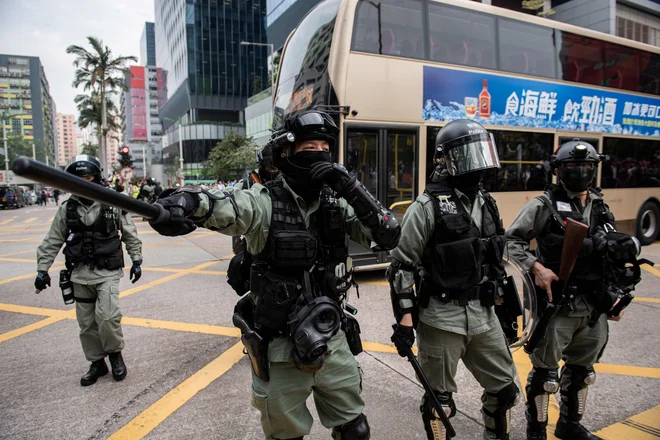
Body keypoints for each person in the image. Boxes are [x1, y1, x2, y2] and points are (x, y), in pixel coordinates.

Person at [149, 110, 401, 440]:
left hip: (333, 335)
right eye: (309, 148)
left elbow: (388, 234)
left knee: (356, 429)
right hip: (280, 346)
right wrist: (186, 201)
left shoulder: (337, 203)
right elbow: (227, 205)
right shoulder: (264, 202)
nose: (318, 155)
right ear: (286, 153)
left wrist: (350, 186)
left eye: (324, 148)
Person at [388, 119, 519, 440]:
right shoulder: (426, 207)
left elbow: (493, 255)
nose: (477, 166)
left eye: (480, 154)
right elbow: (402, 266)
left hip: (484, 316)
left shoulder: (486, 201)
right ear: (445, 160)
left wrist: (504, 305)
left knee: (505, 392)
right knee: (439, 404)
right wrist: (405, 321)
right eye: (467, 156)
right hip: (440, 318)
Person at [506, 140, 638, 440]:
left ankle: (570, 425)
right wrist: (537, 269)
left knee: (583, 372)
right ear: (558, 170)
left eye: (587, 166)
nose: (580, 171)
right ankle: (536, 430)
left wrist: (616, 294)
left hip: (593, 307)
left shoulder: (600, 207)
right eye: (572, 166)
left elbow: (612, 254)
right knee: (546, 377)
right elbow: (511, 242)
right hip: (557, 306)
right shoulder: (544, 205)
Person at [34, 155, 143, 387]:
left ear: (97, 178)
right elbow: (52, 240)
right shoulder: (67, 209)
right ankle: (96, 362)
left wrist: (136, 259)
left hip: (107, 273)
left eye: (88, 178)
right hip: (79, 274)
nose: (84, 182)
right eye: (78, 179)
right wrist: (42, 270)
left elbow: (130, 233)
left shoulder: (112, 204)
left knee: (107, 317)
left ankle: (115, 355)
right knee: (86, 324)